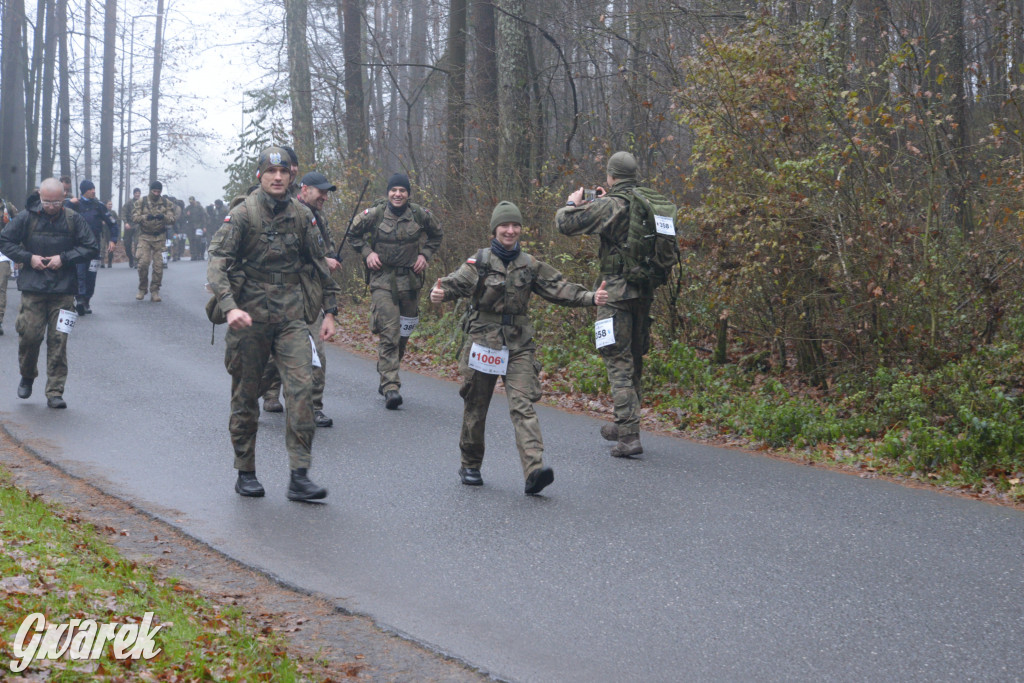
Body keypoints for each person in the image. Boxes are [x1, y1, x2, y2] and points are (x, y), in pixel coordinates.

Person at [430, 201, 608, 495]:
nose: (510, 231)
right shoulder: (480, 262)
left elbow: (559, 288)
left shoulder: (530, 264)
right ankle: (471, 464)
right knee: (476, 405)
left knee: (522, 405)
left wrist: (591, 297)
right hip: (484, 341)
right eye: (505, 226)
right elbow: (453, 284)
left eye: (515, 226)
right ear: (494, 229)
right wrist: (440, 294)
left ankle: (534, 471)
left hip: (519, 344)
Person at [206, 147, 341, 501]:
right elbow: (218, 261)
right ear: (260, 177)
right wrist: (230, 306)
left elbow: (318, 263)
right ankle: (245, 470)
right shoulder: (242, 215)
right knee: (246, 394)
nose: (277, 177)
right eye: (271, 172)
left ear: (292, 177)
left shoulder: (302, 215)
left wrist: (329, 311)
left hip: (292, 318)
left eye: (283, 172)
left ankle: (299, 475)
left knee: (302, 390)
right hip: (249, 319)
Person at [555, 151, 656, 457]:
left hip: (614, 294)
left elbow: (565, 224)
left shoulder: (610, 204)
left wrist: (574, 203)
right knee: (634, 358)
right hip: (644, 291)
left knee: (616, 360)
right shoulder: (647, 201)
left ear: (612, 176)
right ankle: (623, 421)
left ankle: (628, 435)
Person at [0, 178, 99, 408]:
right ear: (40, 198)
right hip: (33, 289)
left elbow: (91, 247)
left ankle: (55, 391)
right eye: (47, 202)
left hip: (64, 291)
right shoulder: (26, 218)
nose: (51, 207)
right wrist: (28, 258)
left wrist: (63, 259)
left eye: (56, 202)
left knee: (59, 340)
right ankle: (27, 375)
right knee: (30, 337)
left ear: (63, 199)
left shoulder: (74, 219)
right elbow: (5, 240)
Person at [348, 172, 442, 409]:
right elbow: (353, 233)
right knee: (389, 332)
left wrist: (425, 254)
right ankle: (391, 386)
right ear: (387, 193)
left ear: (408, 194)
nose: (398, 194)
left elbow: (436, 235)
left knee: (403, 334)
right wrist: (367, 253)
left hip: (410, 282)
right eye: (394, 190)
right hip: (382, 280)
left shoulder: (420, 215)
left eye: (402, 190)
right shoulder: (375, 214)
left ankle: (386, 372)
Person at [260, 171, 342, 427]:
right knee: (276, 353)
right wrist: (318, 260)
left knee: (316, 353)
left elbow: (324, 256)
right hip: (282, 297)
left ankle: (313, 407)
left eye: (327, 192)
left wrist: (330, 308)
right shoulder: (286, 214)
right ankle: (262, 392)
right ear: (304, 189)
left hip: (310, 297)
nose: (325, 197)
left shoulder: (319, 219)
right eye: (321, 192)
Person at [66, 180, 118, 314]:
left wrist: (113, 240)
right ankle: (80, 300)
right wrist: (69, 203)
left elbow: (112, 223)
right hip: (78, 246)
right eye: (90, 189)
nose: (94, 191)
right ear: (84, 191)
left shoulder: (99, 206)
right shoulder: (75, 204)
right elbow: (61, 214)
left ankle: (87, 299)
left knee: (91, 275)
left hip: (95, 247)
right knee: (80, 274)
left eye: (94, 189)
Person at [132, 181, 176, 302]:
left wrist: (164, 217)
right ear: (150, 190)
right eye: (154, 191)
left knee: (158, 266)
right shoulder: (142, 202)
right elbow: (134, 218)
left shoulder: (167, 203)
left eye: (158, 191)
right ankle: (142, 288)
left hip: (160, 238)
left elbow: (172, 219)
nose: (156, 193)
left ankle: (155, 290)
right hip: (145, 237)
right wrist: (145, 217)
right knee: (143, 264)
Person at [0, 194, 19, 335]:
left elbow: (19, 228)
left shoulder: (8, 207)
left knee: (1, 288)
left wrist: (18, 255)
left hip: (2, 254)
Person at [121, 188, 141, 268]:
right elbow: (123, 212)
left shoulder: (142, 203)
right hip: (129, 225)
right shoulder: (129, 203)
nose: (137, 194)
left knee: (137, 243)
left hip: (138, 225)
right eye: (136, 193)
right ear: (134, 194)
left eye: (139, 193)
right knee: (127, 244)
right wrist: (125, 222)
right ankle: (131, 258)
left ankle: (136, 261)